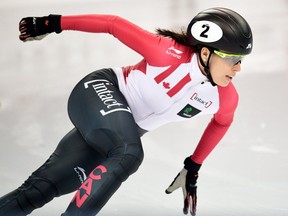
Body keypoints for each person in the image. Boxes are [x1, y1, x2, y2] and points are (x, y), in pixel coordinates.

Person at [0, 7, 253, 216]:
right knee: (129, 153)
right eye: (232, 58)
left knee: (37, 191)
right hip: (99, 91)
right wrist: (51, 23)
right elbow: (114, 24)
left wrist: (193, 166)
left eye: (241, 59)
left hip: (116, 132)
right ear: (206, 53)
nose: (238, 68)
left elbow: (221, 123)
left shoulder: (224, 97)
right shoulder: (166, 52)